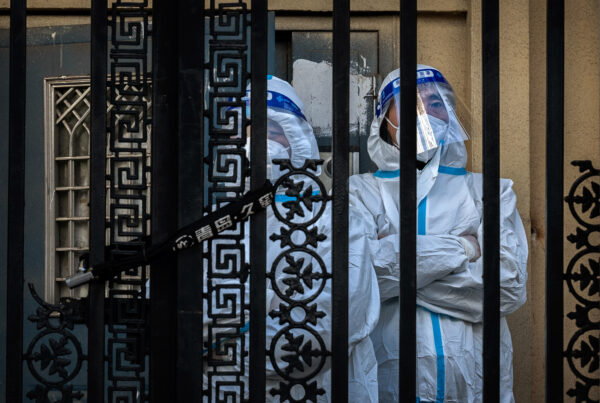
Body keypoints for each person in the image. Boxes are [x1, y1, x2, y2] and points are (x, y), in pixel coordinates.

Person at [348, 65, 528, 402]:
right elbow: (358, 281)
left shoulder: (488, 192)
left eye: (435, 103)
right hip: (387, 378)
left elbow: (506, 287)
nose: (426, 112)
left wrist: (399, 273)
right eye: (412, 103)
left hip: (473, 380)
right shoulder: (359, 192)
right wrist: (464, 248)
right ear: (384, 120)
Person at [204, 75, 380, 402]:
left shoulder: (340, 223)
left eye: (271, 132)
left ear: (296, 141)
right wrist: (272, 303)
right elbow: (173, 311)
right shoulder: (210, 226)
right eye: (245, 132)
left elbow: (323, 329)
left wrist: (223, 345)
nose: (257, 144)